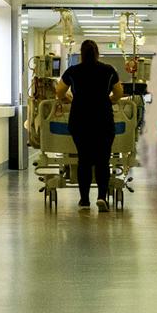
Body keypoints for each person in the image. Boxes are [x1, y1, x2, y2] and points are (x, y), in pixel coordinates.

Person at [56, 40, 124, 212]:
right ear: (97, 53)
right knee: (103, 160)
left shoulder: (73, 71)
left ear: (81, 53)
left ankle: (84, 200)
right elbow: (119, 92)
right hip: (103, 119)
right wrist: (110, 99)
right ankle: (101, 197)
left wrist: (68, 99)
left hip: (80, 119)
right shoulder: (108, 70)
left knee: (84, 160)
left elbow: (59, 91)